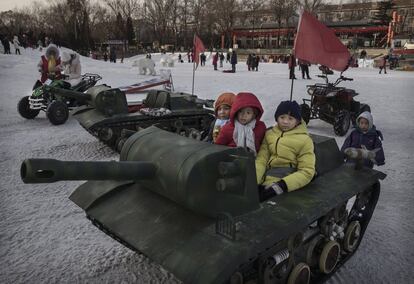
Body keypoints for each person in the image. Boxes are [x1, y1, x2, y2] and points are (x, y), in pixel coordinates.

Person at [256, 100, 315, 201]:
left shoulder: (305, 140)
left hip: (287, 182)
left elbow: (307, 171)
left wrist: (282, 185)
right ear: (277, 118)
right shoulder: (270, 134)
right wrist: (254, 179)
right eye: (282, 117)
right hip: (265, 178)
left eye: (290, 118)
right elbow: (262, 159)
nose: (285, 122)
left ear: (297, 121)